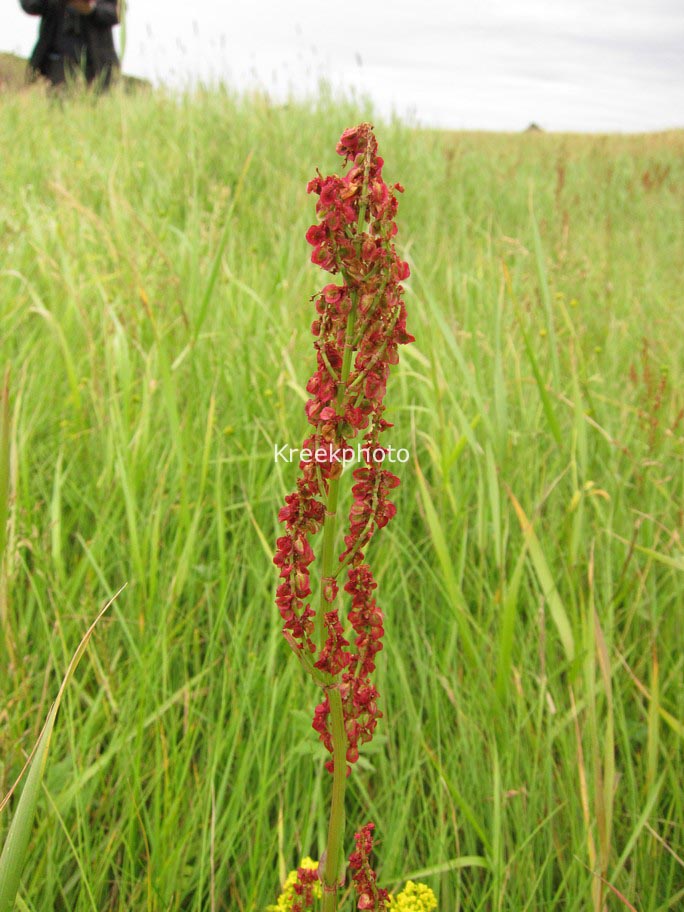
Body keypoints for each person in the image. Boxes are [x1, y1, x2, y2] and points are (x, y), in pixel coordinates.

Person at [20, 0, 120, 90]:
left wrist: (92, 9)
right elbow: (30, 5)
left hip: (96, 63)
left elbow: (117, 12)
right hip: (56, 62)